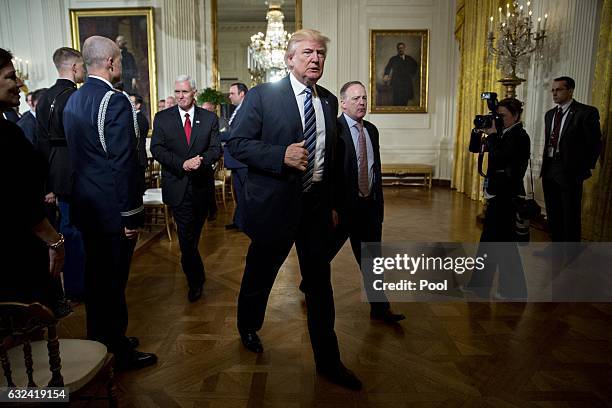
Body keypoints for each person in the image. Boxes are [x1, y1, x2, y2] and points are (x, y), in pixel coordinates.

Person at [227, 29, 362, 390]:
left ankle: (328, 360)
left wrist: (332, 203)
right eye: (306, 52)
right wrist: (278, 155)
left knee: (320, 286)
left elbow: (331, 158)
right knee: (260, 276)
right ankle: (248, 326)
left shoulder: (330, 101)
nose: (315, 58)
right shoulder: (262, 97)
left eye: (320, 53)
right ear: (289, 59)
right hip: (274, 207)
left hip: (316, 209)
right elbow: (236, 143)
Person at [63, 35, 157, 370]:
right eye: (119, 59)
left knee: (96, 280)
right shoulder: (113, 102)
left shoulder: (73, 100)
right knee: (113, 284)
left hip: (86, 208)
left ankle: (100, 341)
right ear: (111, 63)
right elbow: (123, 164)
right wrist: (131, 216)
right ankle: (118, 352)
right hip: (112, 212)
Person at [331, 81, 405, 322]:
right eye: (356, 98)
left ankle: (380, 309)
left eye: (364, 98)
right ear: (343, 103)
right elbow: (329, 172)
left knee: (372, 261)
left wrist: (378, 204)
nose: (362, 102)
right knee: (323, 254)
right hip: (342, 210)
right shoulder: (334, 130)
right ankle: (308, 284)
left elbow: (375, 169)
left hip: (369, 207)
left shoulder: (372, 130)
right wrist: (331, 207)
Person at [0, 47, 65, 307]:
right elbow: (21, 202)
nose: (19, 83)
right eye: (10, 77)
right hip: (14, 255)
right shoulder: (7, 136)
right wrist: (56, 241)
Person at [150, 75, 221, 303]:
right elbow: (157, 149)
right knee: (186, 239)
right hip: (178, 185)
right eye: (177, 92)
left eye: (185, 92)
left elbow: (216, 148)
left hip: (201, 187)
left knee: (193, 236)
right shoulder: (162, 118)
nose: (180, 96)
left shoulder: (209, 118)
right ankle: (196, 281)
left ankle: (195, 273)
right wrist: (182, 163)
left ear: (194, 92)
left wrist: (200, 160)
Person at [36, 47, 87, 303]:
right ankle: (79, 286)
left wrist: (48, 181)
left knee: (67, 227)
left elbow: (40, 141)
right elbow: (80, 138)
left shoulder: (44, 97)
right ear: (75, 67)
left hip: (54, 167)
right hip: (74, 167)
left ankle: (73, 286)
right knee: (76, 229)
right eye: (82, 66)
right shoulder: (74, 96)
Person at [466, 98, 530, 299]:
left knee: (504, 245)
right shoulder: (503, 133)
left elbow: (502, 158)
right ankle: (480, 285)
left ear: (516, 115)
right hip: (497, 194)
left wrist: (492, 135)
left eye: (503, 116)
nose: (499, 120)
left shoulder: (519, 136)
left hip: (507, 196)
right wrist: (478, 132)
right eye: (497, 116)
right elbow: (474, 149)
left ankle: (513, 290)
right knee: (489, 242)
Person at [541, 76, 602, 242]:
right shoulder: (550, 114)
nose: (554, 94)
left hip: (570, 171)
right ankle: (555, 247)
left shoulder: (586, 112)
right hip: (549, 168)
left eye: (559, 90)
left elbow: (595, 143)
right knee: (553, 212)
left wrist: (584, 168)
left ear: (570, 90)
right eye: (553, 90)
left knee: (570, 213)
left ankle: (571, 253)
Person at [220, 82, 248, 231]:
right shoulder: (238, 109)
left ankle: (245, 223)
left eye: (232, 93)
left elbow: (235, 134)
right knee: (239, 193)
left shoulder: (246, 110)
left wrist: (215, 136)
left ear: (242, 93)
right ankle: (239, 222)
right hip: (237, 161)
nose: (229, 96)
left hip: (243, 160)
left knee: (245, 193)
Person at [383, 42, 418, 106]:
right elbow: (388, 67)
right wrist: (386, 75)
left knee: (405, 101)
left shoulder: (409, 58)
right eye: (399, 48)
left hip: (406, 84)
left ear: (404, 48)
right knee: (396, 101)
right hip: (396, 83)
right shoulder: (393, 59)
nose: (400, 49)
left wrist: (412, 74)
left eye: (402, 48)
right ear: (397, 49)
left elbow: (416, 65)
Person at [130, 93, 150, 194]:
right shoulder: (134, 117)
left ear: (138, 105)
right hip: (136, 158)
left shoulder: (140, 119)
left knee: (139, 191)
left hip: (138, 157)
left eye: (131, 103)